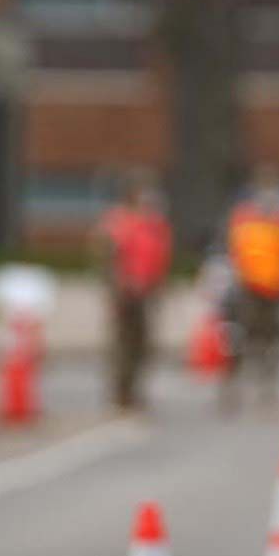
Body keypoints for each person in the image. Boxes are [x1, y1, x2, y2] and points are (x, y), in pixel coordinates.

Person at [96, 171, 173, 413]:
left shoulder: (154, 224)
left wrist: (159, 286)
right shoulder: (118, 223)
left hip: (147, 292)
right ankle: (121, 393)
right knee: (123, 343)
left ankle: (136, 391)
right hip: (125, 294)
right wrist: (119, 286)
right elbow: (107, 260)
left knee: (144, 344)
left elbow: (161, 256)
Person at [225, 166, 279, 409]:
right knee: (241, 339)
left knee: (271, 342)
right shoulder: (244, 217)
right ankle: (233, 386)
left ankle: (268, 389)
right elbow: (235, 252)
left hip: (275, 289)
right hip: (249, 288)